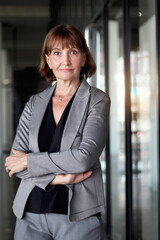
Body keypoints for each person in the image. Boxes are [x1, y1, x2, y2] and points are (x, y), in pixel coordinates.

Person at [5, 24, 110, 240]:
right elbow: (15, 164)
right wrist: (60, 179)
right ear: (48, 60)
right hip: (29, 214)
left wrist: (29, 161)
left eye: (73, 51)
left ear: (83, 58)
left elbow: (82, 159)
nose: (65, 60)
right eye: (57, 53)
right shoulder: (35, 103)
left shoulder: (97, 100)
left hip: (78, 217)